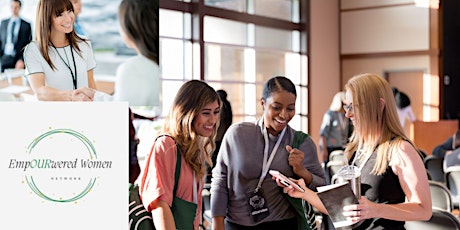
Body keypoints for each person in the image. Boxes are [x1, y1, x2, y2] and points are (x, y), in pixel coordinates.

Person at [280, 73, 432, 229]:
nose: (347, 114)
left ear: (379, 106)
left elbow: (423, 210)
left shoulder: (400, 149)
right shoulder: (355, 149)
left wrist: (376, 209)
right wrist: (303, 192)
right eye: (347, 106)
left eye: (353, 107)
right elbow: (342, 209)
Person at [210, 76, 326, 229]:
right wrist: (217, 224)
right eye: (276, 107)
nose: (284, 115)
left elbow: (322, 189)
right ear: (263, 103)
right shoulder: (237, 134)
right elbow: (220, 181)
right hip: (236, 224)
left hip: (282, 224)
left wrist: (302, 171)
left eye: (290, 108)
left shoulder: (301, 143)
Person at [139, 80, 221, 230]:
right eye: (206, 113)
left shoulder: (196, 150)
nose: (213, 119)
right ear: (187, 112)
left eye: (216, 112)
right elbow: (159, 204)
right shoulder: (167, 145)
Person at [23, 0, 96, 101]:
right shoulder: (33, 50)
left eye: (70, 11)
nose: (68, 18)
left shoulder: (84, 44)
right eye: (59, 14)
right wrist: (72, 96)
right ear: (47, 18)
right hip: (54, 114)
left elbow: (91, 84)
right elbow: (39, 92)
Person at [319, 91, 352, 182]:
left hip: (343, 147)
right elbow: (323, 134)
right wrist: (324, 150)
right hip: (330, 148)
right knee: (330, 171)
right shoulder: (330, 114)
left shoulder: (346, 116)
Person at [206, 89, 232, 183]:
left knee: (213, 157)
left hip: (216, 137)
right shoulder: (226, 104)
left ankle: (209, 178)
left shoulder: (220, 105)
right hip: (222, 136)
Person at [0, 0, 32, 72]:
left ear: (20, 8)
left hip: (18, 60)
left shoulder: (26, 25)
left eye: (16, 7)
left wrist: (22, 60)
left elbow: (28, 45)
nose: (14, 9)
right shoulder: (3, 23)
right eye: (12, 7)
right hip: (4, 58)